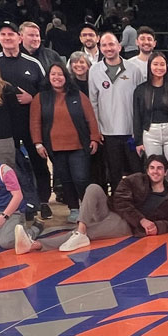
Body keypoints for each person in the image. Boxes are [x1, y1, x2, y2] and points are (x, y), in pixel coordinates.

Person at [22, 155, 168, 252]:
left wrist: (157, 227)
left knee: (90, 232)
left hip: (126, 225)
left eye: (159, 168)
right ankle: (81, 230)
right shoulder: (136, 179)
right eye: (152, 167)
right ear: (147, 170)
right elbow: (119, 200)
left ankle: (37, 245)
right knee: (93, 188)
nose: (155, 171)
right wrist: (141, 219)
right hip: (113, 211)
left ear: (165, 172)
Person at [31, 63, 103, 223]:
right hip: (55, 148)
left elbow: (91, 118)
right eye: (53, 74)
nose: (57, 77)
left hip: (79, 146)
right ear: (48, 77)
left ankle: (87, 208)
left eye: (60, 74)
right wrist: (38, 143)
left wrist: (94, 137)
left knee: (81, 178)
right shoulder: (40, 98)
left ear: (66, 77)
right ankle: (74, 209)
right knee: (66, 180)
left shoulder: (78, 95)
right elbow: (35, 122)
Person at [0, 21, 48, 217]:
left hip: (32, 124)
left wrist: (33, 99)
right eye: (3, 34)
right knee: (10, 167)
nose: (7, 38)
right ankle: (17, 204)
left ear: (19, 38)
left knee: (39, 163)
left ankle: (43, 201)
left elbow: (46, 93)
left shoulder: (33, 63)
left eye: (11, 34)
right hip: (5, 126)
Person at [91, 32, 146, 192]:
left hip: (131, 132)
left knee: (136, 172)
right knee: (114, 173)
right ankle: (117, 203)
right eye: (104, 45)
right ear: (100, 48)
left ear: (119, 47)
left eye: (111, 44)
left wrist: (140, 129)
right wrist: (97, 130)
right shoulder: (94, 71)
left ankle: (139, 201)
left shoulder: (134, 69)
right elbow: (93, 102)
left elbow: (141, 101)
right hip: (108, 133)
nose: (108, 48)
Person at [130, 51, 168, 180]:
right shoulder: (141, 90)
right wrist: (138, 141)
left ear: (167, 66)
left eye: (162, 64)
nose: (159, 68)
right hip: (150, 132)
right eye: (155, 64)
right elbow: (137, 117)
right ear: (149, 66)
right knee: (155, 169)